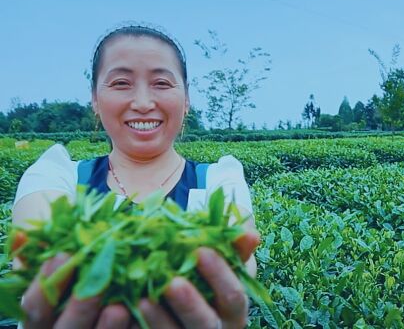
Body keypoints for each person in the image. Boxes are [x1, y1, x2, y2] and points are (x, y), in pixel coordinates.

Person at [11, 24, 260, 328]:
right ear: (94, 100)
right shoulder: (55, 174)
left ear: (186, 100)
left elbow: (238, 267)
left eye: (161, 83)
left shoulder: (219, 182)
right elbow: (37, 259)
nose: (143, 103)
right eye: (120, 83)